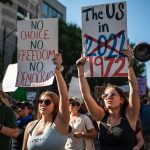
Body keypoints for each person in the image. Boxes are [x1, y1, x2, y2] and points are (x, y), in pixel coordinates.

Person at [76, 46, 140, 150]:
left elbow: (134, 88)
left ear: (122, 100)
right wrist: (80, 70)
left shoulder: (130, 116)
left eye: (113, 94)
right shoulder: (100, 117)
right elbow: (86, 96)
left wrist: (128, 64)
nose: (108, 97)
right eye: (105, 95)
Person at [22, 53, 70, 150]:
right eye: (40, 101)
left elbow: (64, 98)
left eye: (47, 102)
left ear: (55, 106)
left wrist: (57, 71)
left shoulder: (61, 123)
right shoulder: (30, 126)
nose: (42, 104)